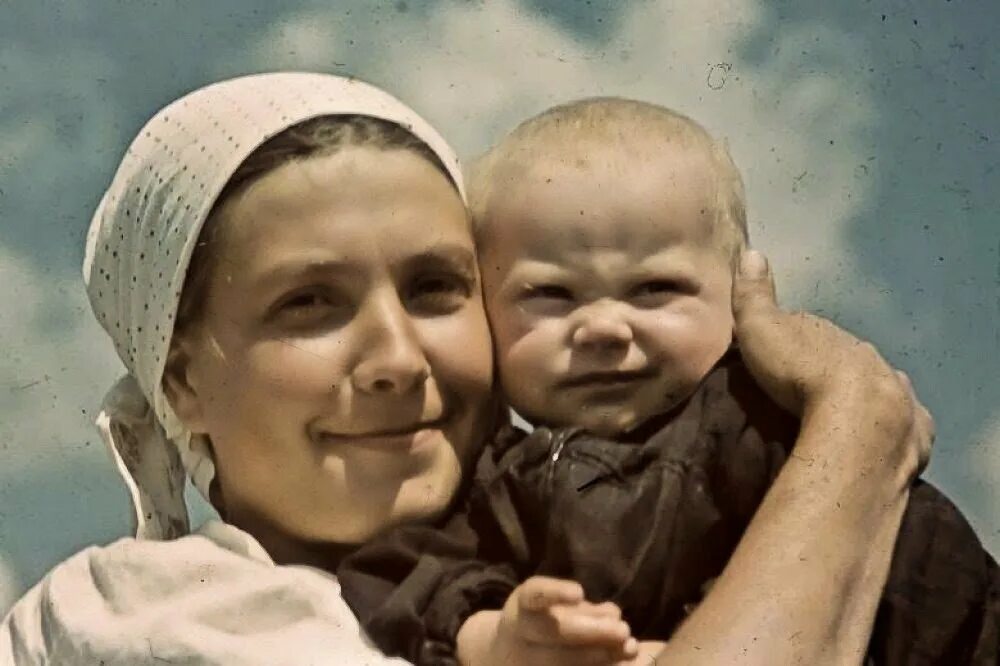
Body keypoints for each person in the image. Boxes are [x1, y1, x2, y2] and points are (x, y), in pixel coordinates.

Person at [0, 73, 931, 666]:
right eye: (308, 304)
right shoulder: (137, 620)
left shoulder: (578, 544)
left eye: (436, 287)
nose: (398, 360)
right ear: (179, 382)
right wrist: (856, 433)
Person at [338, 98, 998, 665]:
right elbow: (397, 573)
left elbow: (937, 586)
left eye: (655, 288)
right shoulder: (491, 483)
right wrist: (491, 636)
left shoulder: (771, 430)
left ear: (742, 297)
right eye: (552, 294)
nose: (601, 328)